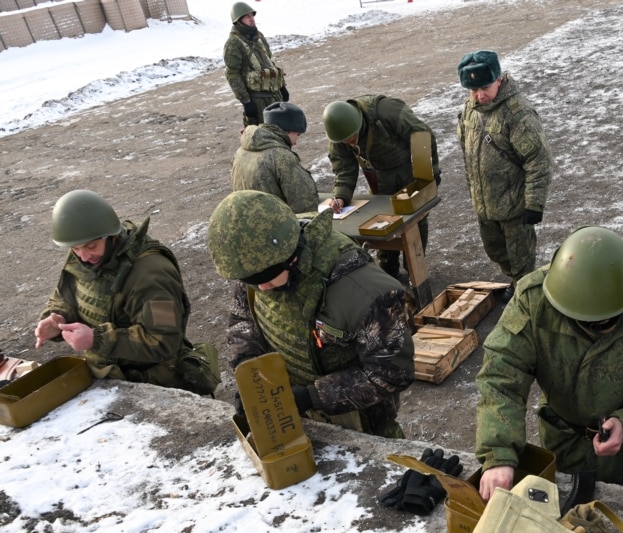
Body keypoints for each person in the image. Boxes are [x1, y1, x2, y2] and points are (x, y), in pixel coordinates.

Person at [474, 226, 623, 499]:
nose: (596, 328)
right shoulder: (533, 301)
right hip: (566, 443)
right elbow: (501, 376)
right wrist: (499, 454)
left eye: (607, 321)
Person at [206, 190, 415, 438]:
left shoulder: (369, 294)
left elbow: (392, 373)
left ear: (292, 258)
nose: (261, 288)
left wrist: (312, 397)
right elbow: (244, 318)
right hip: (296, 418)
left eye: (267, 279)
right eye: (251, 281)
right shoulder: (262, 257)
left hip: (364, 428)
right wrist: (251, 374)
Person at [35, 189, 219, 396]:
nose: (84, 256)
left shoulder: (152, 276)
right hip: (107, 373)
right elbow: (66, 296)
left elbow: (163, 341)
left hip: (154, 382)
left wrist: (96, 339)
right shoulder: (84, 252)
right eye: (76, 249)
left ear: (110, 236)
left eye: (91, 246)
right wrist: (58, 318)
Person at [456, 50, 553, 294]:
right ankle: (516, 282)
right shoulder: (470, 108)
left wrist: (534, 204)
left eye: (485, 88)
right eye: (473, 90)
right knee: (496, 252)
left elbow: (538, 160)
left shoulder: (517, 113)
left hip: (516, 207)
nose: (480, 95)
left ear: (498, 79)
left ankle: (526, 296)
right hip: (486, 205)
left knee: (521, 260)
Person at [323, 97, 440, 279]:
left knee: (415, 219)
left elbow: (422, 135)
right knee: (382, 222)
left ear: (359, 124)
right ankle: (388, 271)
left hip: (408, 168)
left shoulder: (386, 112)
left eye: (351, 138)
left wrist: (428, 175)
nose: (350, 143)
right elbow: (345, 169)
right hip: (378, 176)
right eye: (344, 141)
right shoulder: (339, 135)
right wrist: (340, 196)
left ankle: (415, 272)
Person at [231, 102, 319, 213]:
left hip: (247, 221)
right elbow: (304, 203)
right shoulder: (282, 157)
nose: (296, 142)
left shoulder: (240, 152)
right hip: (278, 226)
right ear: (288, 130)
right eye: (297, 135)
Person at [223, 1, 288, 128]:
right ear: (238, 20)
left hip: (275, 96)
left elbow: (269, 62)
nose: (252, 19)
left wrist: (282, 86)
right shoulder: (233, 44)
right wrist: (246, 101)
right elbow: (232, 74)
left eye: (252, 15)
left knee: (283, 131)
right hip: (257, 100)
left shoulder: (259, 37)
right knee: (263, 136)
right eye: (247, 16)